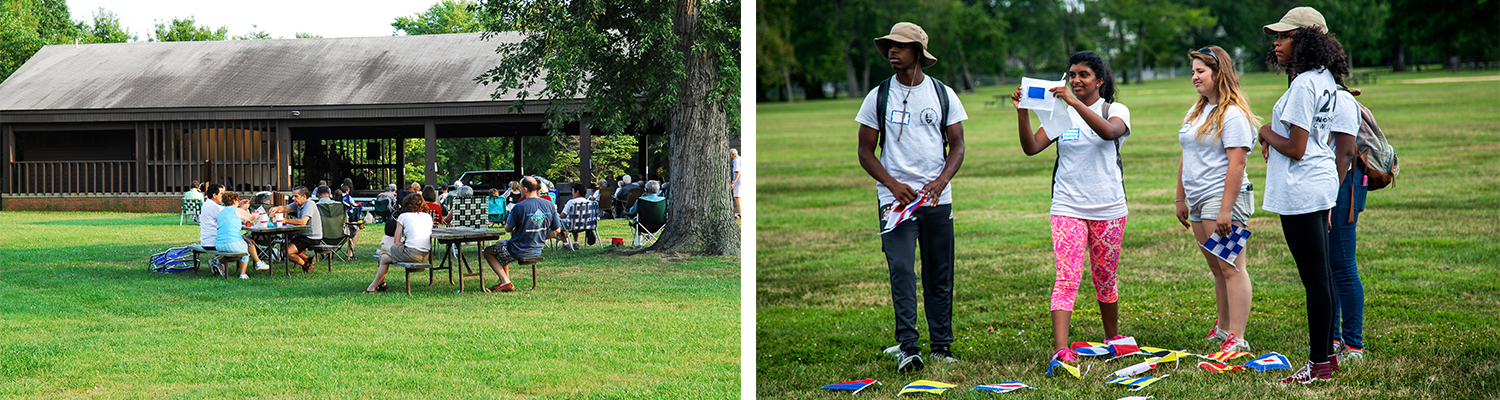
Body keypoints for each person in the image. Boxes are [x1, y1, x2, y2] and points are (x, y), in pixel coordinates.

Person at [856, 22, 967, 372]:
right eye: (889, 45)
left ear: (917, 53)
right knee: (902, 269)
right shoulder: (878, 95)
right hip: (895, 204)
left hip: (937, 200)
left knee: (939, 273)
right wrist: (891, 184)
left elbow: (959, 146)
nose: (892, 51)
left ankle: (942, 347)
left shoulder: (943, 94)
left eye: (900, 46)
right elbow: (865, 152)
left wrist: (940, 181)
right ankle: (908, 347)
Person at [1010, 50, 1132, 364]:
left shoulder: (1114, 109)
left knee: (1105, 277)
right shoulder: (1060, 115)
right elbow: (1031, 147)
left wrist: (1074, 104)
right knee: (1067, 277)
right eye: (1072, 74)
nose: (1075, 80)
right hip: (1067, 206)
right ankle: (1061, 349)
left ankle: (1112, 336)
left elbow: (1108, 133)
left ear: (1099, 81)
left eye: (1083, 75)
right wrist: (1023, 112)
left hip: (1109, 208)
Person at [1258, 6, 1347, 385]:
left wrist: (1263, 130)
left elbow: (1295, 147)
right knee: (1322, 276)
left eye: (1285, 36)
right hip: (1320, 184)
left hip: (1301, 187)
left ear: (1306, 38)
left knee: (1315, 280)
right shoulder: (1324, 79)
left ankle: (1318, 364)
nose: (1277, 43)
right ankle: (1327, 357)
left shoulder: (1304, 84)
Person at [1174, 46, 1261, 353]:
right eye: (1193, 71)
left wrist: (1225, 210)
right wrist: (1180, 198)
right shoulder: (1197, 111)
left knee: (1231, 268)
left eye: (1200, 71)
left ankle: (1237, 339)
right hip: (1197, 200)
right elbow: (1187, 154)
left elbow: (1237, 164)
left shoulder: (1233, 114)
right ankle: (1223, 329)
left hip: (1221, 199)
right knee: (1217, 268)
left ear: (1218, 73)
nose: (1194, 77)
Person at [1328, 79, 1368, 364]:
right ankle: (1332, 339)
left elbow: (1345, 154)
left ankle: (1353, 345)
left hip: (1342, 185)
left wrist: (1330, 198)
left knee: (1343, 265)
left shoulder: (1339, 98)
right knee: (1330, 265)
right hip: (1331, 183)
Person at [482, 176, 560, 293]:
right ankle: (504, 281)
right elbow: (557, 230)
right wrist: (539, 235)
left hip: (518, 249)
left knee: (488, 251)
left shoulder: (519, 207)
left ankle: (506, 282)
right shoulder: (549, 205)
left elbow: (508, 229)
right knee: (500, 244)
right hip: (537, 249)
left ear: (525, 189)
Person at [363, 193, 433, 293]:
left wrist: (401, 246)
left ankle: (377, 285)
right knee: (384, 258)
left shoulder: (403, 216)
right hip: (425, 255)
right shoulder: (428, 217)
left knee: (383, 249)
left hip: (411, 253)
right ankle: (375, 286)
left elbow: (396, 241)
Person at [270, 187, 323, 271]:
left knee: (286, 252)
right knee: (284, 248)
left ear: (304, 197)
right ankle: (307, 260)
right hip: (303, 235)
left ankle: (305, 265)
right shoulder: (298, 204)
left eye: (296, 196)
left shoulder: (309, 204)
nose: (293, 198)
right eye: (293, 196)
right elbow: (285, 208)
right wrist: (277, 208)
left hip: (312, 237)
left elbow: (303, 222)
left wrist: (285, 220)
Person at [559, 183, 596, 248]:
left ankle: (565, 243)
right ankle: (576, 242)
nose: (572, 193)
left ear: (577, 192)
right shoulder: (589, 202)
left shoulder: (571, 202)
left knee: (557, 224)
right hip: (587, 225)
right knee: (575, 218)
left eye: (573, 191)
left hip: (572, 225)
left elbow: (562, 216)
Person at [198, 184, 225, 250]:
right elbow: (230, 215)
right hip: (213, 242)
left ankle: (219, 260)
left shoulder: (207, 203)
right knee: (243, 244)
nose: (224, 196)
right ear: (214, 195)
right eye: (221, 194)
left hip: (206, 241)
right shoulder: (214, 207)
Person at [730, 148, 742, 218]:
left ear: (731, 155)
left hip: (738, 181)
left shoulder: (736, 161)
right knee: (740, 197)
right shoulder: (740, 158)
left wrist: (733, 182)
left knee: (737, 197)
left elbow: (738, 172)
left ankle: (740, 214)